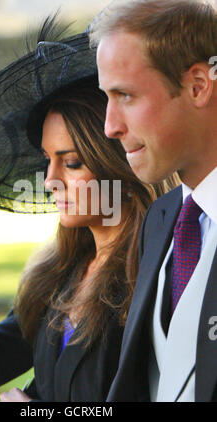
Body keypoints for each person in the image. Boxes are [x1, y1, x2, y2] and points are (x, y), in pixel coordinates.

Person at [0, 16, 177, 402]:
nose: (49, 181)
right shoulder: (59, 272)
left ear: (120, 164)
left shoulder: (160, 275)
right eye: (47, 161)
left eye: (71, 162)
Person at [89, 0, 217, 402]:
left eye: (124, 95)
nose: (110, 126)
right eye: (106, 98)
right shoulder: (162, 219)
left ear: (198, 85)